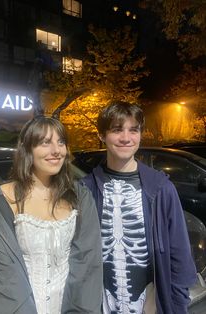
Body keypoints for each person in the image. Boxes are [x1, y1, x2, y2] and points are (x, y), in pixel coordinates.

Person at [81, 101, 197, 314]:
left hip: (150, 305)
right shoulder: (85, 190)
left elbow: (179, 254)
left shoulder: (161, 189)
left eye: (133, 130)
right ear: (101, 135)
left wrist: (178, 305)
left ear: (140, 135)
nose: (126, 138)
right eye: (117, 130)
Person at [0, 115, 103, 314]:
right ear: (28, 149)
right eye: (45, 142)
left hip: (71, 306)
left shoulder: (79, 197)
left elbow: (88, 262)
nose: (56, 150)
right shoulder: (3, 199)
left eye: (61, 141)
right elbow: (5, 272)